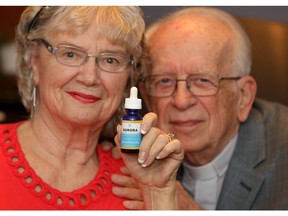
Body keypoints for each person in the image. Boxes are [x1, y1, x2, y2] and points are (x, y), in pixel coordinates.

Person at [0, 6, 184, 210]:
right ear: (34, 60)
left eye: (110, 60)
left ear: (129, 77)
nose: (89, 78)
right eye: (70, 54)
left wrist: (159, 195)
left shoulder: (137, 182)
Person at [110, 7, 288, 210]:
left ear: (244, 97)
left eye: (203, 80)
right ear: (147, 96)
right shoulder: (132, 153)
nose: (181, 101)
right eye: (165, 81)